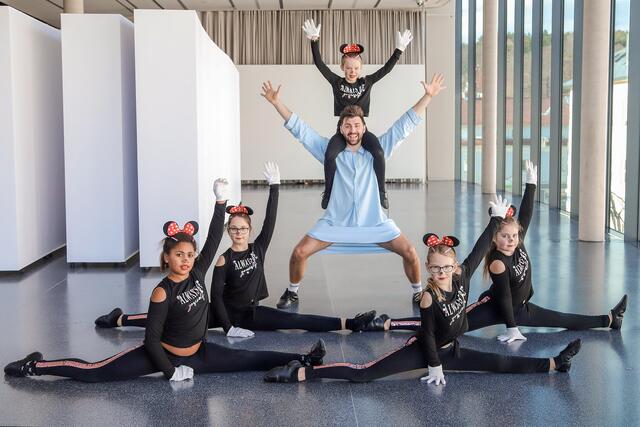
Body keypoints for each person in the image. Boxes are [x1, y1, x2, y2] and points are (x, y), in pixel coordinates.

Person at [4, 179, 325, 382]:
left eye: (190, 254)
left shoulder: (197, 272)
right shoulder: (162, 292)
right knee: (95, 372)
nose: (186, 260)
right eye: (179, 255)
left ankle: (303, 359)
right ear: (167, 258)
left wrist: (220, 204)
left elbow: (214, 239)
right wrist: (170, 372)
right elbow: (150, 341)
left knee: (250, 359)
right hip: (163, 356)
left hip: (199, 353)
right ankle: (35, 366)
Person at [263, 197, 582, 384]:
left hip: (452, 349)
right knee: (364, 374)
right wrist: (434, 365)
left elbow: (479, 248)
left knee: (498, 364)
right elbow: (427, 336)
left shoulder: (462, 276)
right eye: (436, 269)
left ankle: (556, 363)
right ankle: (300, 373)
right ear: (429, 269)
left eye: (447, 267)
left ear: (455, 266)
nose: (442, 273)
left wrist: (495, 220)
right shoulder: (430, 296)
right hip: (423, 351)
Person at [94, 163, 376, 337]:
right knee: (169, 319)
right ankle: (119, 318)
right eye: (234, 229)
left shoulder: (259, 248)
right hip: (223, 313)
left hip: (252, 313)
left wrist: (275, 187)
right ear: (229, 232)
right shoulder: (222, 260)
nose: (239, 232)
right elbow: (216, 297)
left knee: (296, 320)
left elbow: (270, 221)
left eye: (243, 228)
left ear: (249, 230)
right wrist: (228, 328)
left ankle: (349, 323)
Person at [363, 161, 628, 336]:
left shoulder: (517, 241)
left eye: (514, 235)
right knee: (447, 322)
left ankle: (608, 319)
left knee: (562, 319)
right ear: (495, 240)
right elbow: (502, 298)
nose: (511, 240)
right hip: (493, 309)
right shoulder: (498, 262)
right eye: (504, 236)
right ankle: (387, 323)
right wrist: (512, 328)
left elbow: (526, 215)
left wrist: (531, 185)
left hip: (520, 307)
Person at [260, 74, 446, 309]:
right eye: (347, 126)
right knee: (299, 253)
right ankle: (292, 292)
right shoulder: (329, 151)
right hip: (336, 224)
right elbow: (301, 131)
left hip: (373, 223)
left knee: (410, 252)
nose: (353, 130)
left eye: (357, 125)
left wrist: (428, 96)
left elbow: (404, 126)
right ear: (340, 128)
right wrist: (277, 103)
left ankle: (418, 293)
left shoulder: (377, 151)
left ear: (364, 127)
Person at [302, 19, 413, 209]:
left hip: (361, 130)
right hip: (343, 131)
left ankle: (381, 192)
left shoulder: (366, 83)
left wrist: (399, 50)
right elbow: (319, 64)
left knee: (379, 152)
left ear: (360, 68)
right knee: (330, 154)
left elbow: (386, 70)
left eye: (355, 68)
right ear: (342, 68)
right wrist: (314, 41)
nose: (352, 72)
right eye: (348, 68)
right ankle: (328, 193)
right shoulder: (336, 82)